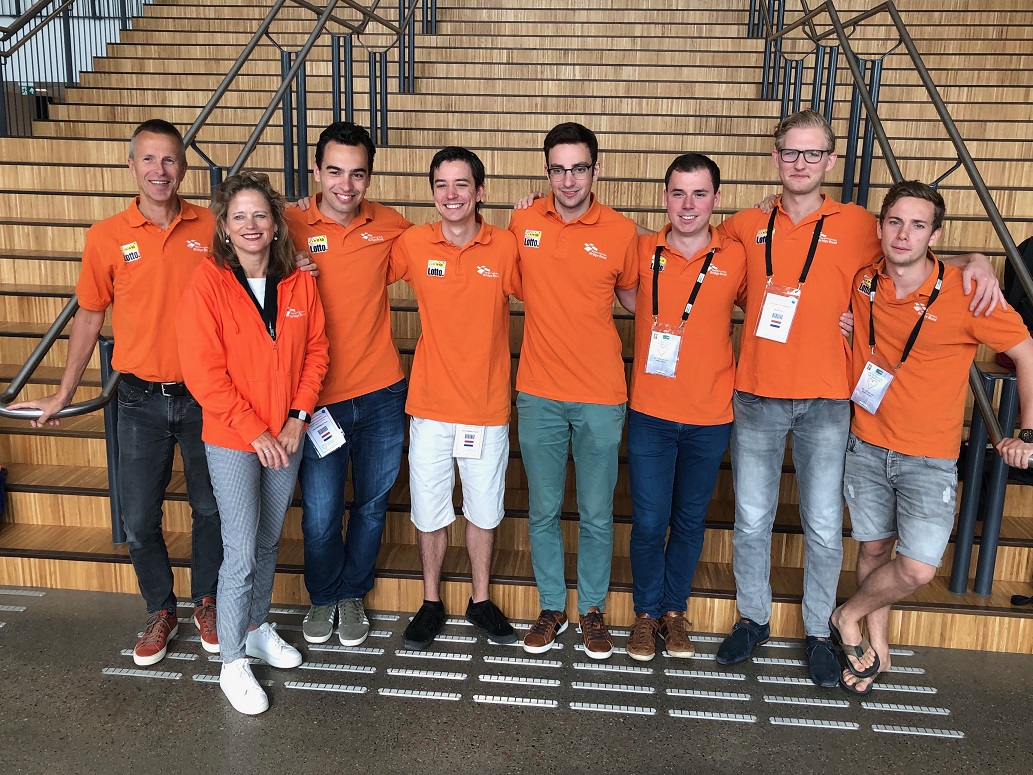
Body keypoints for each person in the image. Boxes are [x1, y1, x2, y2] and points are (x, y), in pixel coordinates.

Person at [715, 109, 1002, 687]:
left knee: (824, 525)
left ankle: (819, 629)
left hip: (828, 399)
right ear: (775, 157)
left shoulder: (860, 223)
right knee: (751, 518)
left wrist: (975, 261)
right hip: (757, 394)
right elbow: (698, 250)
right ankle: (753, 618)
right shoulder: (744, 224)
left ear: (830, 160)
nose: (800, 163)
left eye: (812, 153)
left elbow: (912, 252)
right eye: (790, 152)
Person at [9, 119, 225, 665]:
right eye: (149, 159)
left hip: (205, 396)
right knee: (138, 518)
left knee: (210, 508)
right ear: (131, 166)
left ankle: (208, 601)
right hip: (138, 399)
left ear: (184, 166)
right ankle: (161, 609)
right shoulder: (106, 235)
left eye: (170, 159)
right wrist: (63, 392)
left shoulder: (212, 226)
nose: (160, 170)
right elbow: (88, 317)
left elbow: (255, 266)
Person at [830, 180, 1033, 695]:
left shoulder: (967, 292)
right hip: (866, 441)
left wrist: (1026, 431)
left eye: (918, 225)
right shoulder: (865, 280)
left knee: (918, 566)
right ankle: (878, 651)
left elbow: (1027, 351)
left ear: (934, 235)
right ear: (880, 228)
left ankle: (846, 616)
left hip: (929, 456)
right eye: (895, 222)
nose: (904, 234)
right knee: (875, 548)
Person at [178, 172, 329, 715]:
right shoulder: (207, 283)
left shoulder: (299, 281)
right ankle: (232, 662)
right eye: (239, 216)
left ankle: (257, 626)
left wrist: (296, 419)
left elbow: (316, 352)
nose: (250, 224)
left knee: (267, 541)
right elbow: (205, 373)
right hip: (234, 437)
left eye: (260, 214)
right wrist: (255, 430)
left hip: (287, 433)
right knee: (241, 550)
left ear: (276, 224)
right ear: (223, 226)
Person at [509, 122, 638, 658]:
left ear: (596, 170)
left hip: (601, 395)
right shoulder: (522, 221)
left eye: (578, 168)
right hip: (538, 391)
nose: (568, 180)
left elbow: (638, 301)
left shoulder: (622, 231)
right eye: (558, 169)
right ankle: (550, 607)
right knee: (542, 510)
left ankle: (591, 610)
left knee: (596, 513)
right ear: (546, 172)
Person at [615, 154, 747, 662]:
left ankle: (674, 612)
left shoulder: (736, 255)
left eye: (699, 194)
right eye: (678, 193)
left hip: (710, 414)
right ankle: (645, 614)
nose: (688, 204)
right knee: (650, 520)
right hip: (651, 411)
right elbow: (627, 295)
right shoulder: (642, 248)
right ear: (664, 197)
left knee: (690, 520)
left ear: (716, 199)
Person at [285, 122, 411, 647]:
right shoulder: (286, 223)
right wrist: (283, 262)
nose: (346, 184)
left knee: (372, 505)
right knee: (320, 514)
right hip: (317, 398)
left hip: (382, 392)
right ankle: (323, 596)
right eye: (335, 171)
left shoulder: (390, 224)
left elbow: (450, 237)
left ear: (369, 177)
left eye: (357, 174)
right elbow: (233, 259)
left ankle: (353, 593)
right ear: (315, 171)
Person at [392, 147, 521, 650]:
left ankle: (480, 600)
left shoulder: (506, 246)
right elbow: (354, 256)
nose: (451, 194)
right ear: (432, 192)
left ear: (480, 191)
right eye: (441, 185)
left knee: (484, 511)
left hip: (486, 409)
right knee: (429, 511)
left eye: (462, 184)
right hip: (429, 407)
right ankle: (431, 601)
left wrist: (534, 211)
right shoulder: (413, 242)